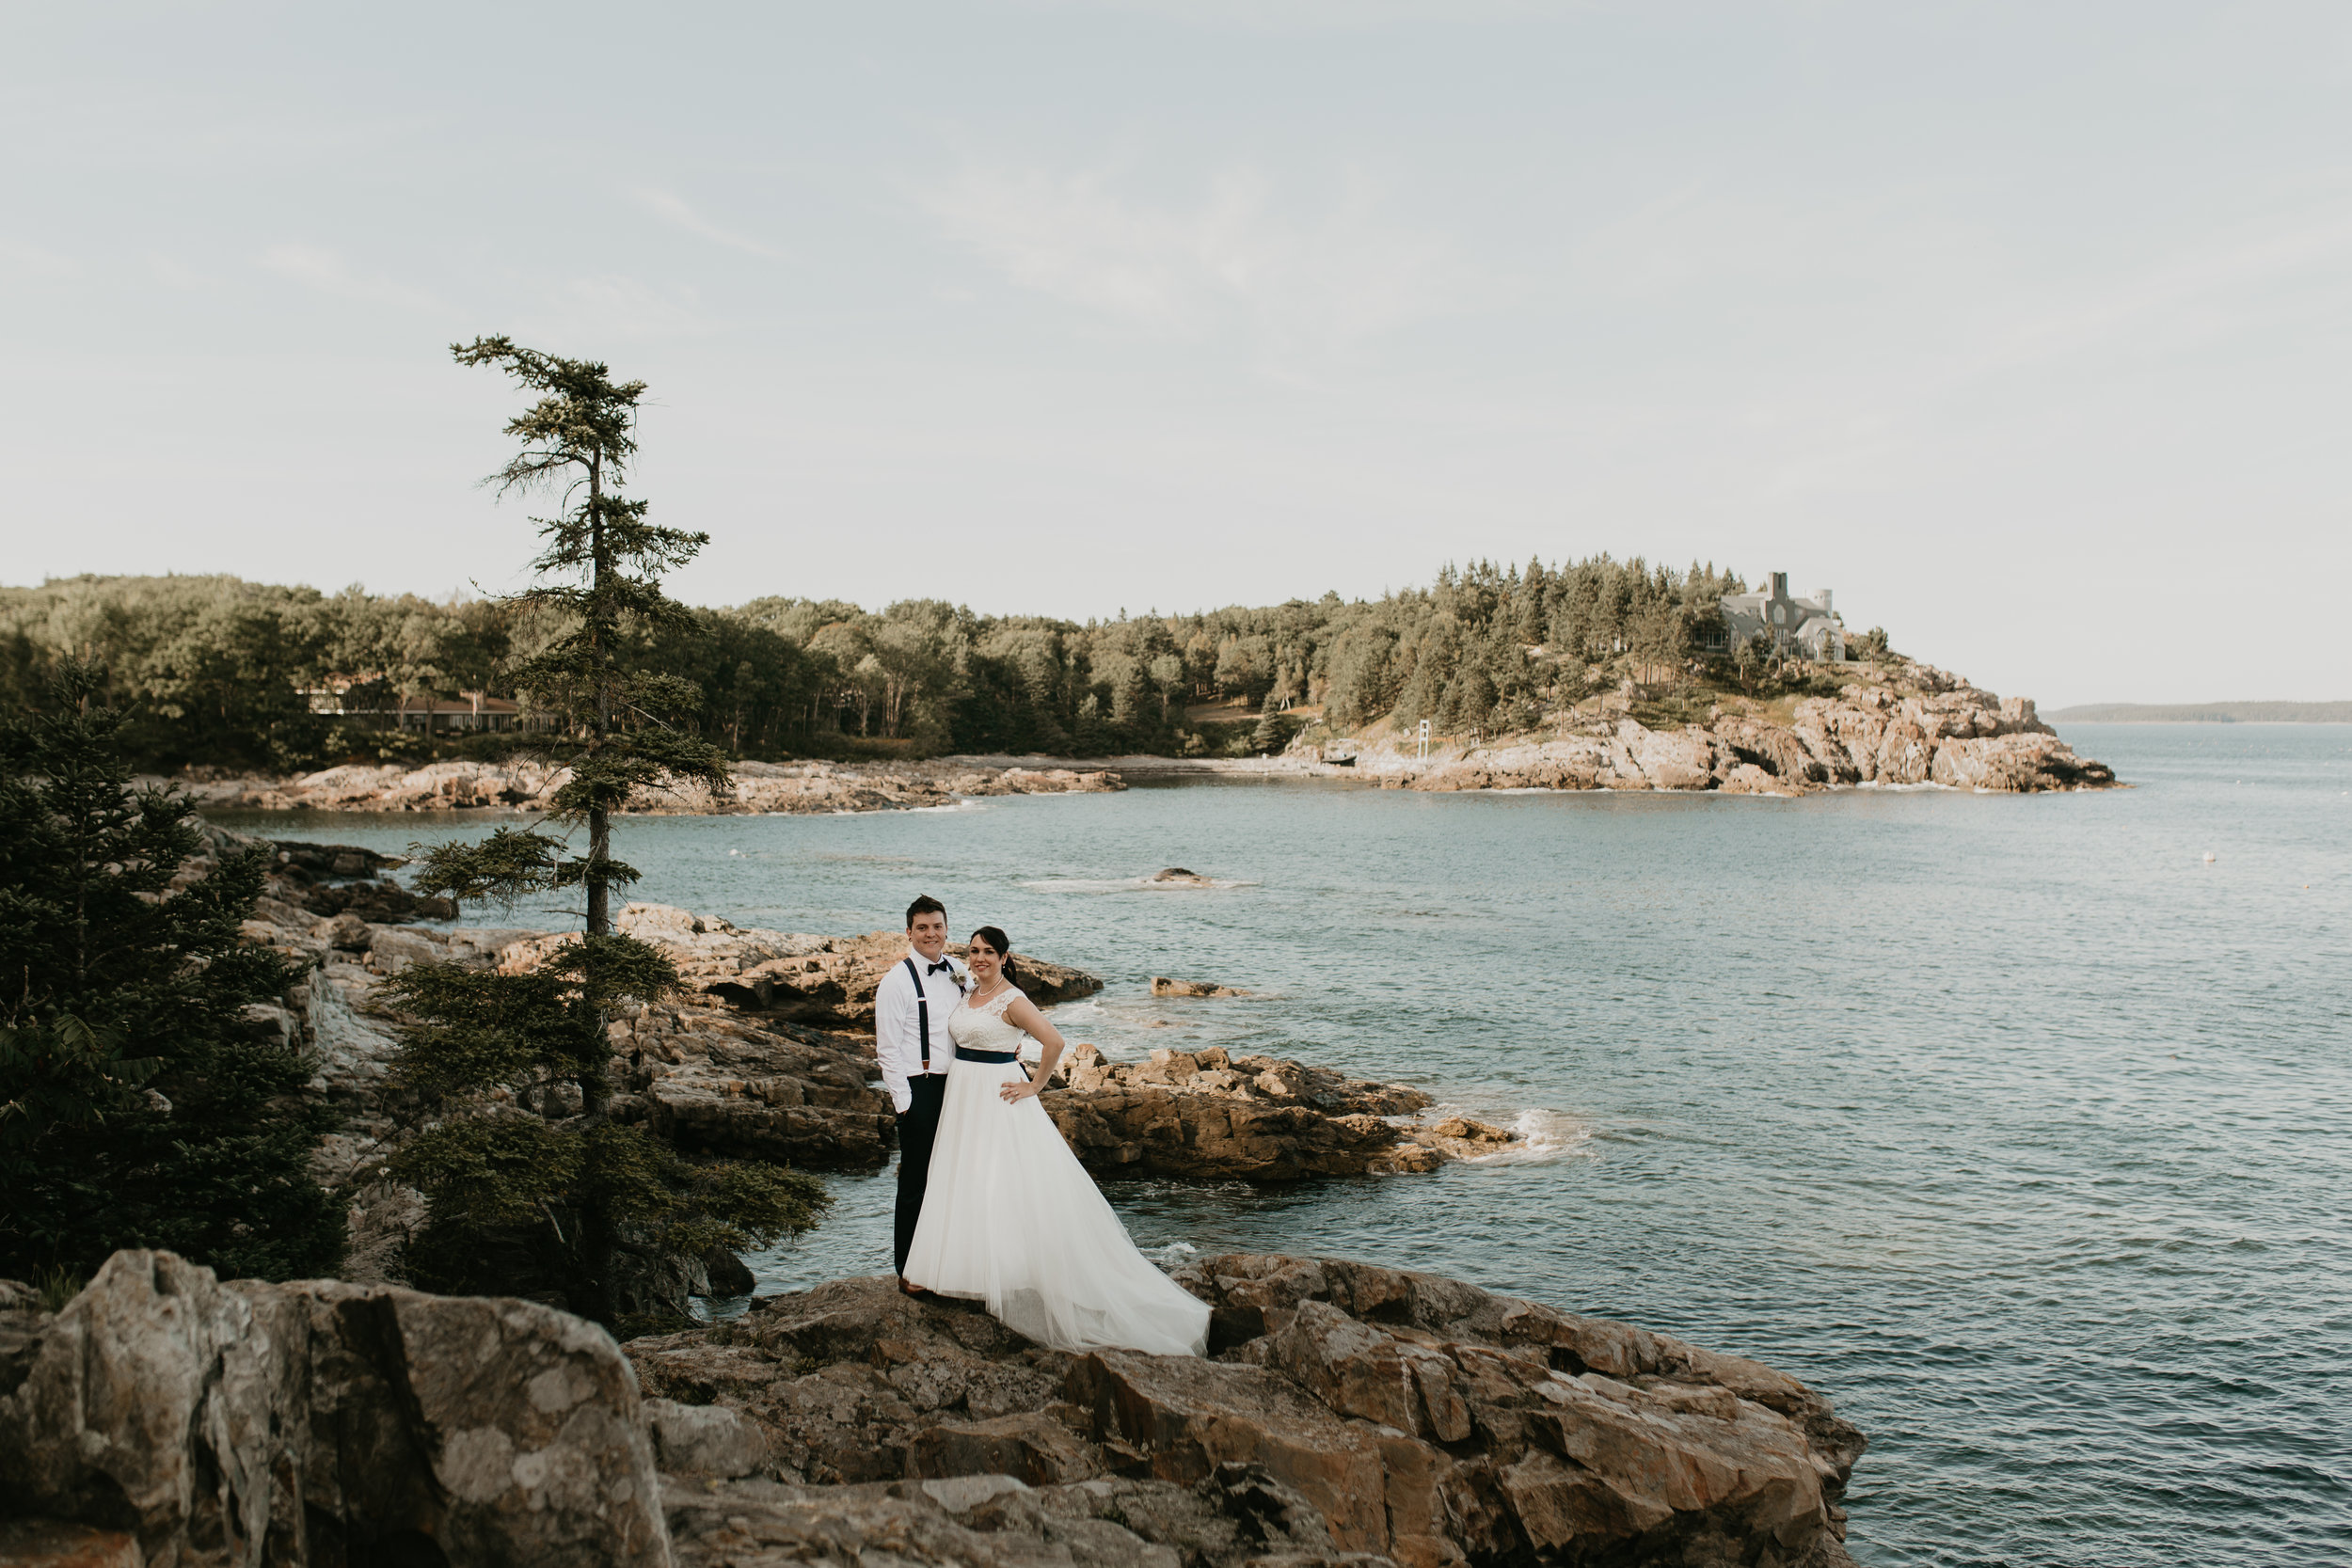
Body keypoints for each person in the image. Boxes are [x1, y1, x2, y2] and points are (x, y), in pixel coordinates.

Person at [902, 925, 1210, 1356]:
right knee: (965, 1178)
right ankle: (953, 1270)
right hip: (962, 1094)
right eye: (973, 951)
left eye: (989, 952)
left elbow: (1054, 1041)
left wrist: (1035, 1086)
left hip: (998, 1094)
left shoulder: (1014, 999)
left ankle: (1004, 1274)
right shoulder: (968, 992)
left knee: (1001, 1182)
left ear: (1005, 957)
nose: (980, 958)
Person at [875, 895, 965, 1291]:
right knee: (916, 1180)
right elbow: (887, 1049)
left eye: (938, 926)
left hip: (961, 1085)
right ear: (909, 932)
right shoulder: (895, 982)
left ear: (947, 929)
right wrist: (904, 1103)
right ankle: (909, 1270)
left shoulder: (959, 971)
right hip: (920, 1087)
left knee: (954, 1177)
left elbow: (984, 1013)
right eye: (923, 927)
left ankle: (948, 1262)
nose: (932, 934)